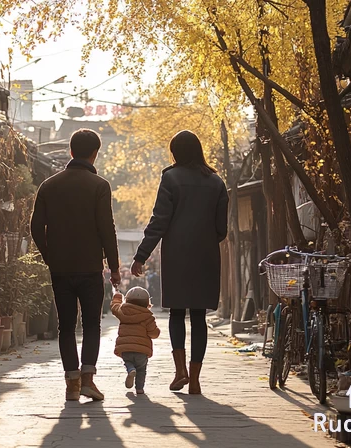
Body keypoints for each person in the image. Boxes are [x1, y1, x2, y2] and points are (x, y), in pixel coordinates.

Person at [131, 130, 229, 395]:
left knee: (176, 312)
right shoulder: (216, 182)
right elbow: (222, 229)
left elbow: (159, 220)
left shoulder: (171, 178)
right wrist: (205, 239)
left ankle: (179, 372)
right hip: (206, 255)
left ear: (175, 153)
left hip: (176, 255)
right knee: (198, 316)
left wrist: (141, 255)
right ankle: (195, 379)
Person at [31, 128, 121, 402]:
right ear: (95, 153)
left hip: (61, 269)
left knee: (66, 326)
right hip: (91, 268)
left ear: (70, 151)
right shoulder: (99, 186)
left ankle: (71, 384)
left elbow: (35, 227)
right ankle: (88, 381)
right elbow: (107, 228)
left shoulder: (49, 185)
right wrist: (114, 266)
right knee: (92, 325)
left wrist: (49, 256)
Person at [110, 286, 160, 395]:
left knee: (128, 362)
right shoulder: (148, 317)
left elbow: (114, 307)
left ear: (127, 300)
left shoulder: (122, 311)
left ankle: (130, 369)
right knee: (142, 369)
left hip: (125, 348)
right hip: (141, 350)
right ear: (147, 303)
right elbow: (153, 333)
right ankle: (140, 388)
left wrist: (117, 296)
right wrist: (157, 331)